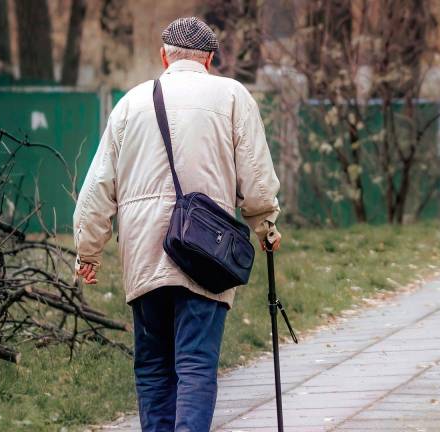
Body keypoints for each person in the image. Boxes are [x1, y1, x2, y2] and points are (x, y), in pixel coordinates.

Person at [73, 17, 281, 432]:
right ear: (209, 59)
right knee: (196, 365)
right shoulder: (233, 96)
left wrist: (88, 250)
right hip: (206, 251)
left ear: (164, 55)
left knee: (152, 367)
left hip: (145, 253)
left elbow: (99, 184)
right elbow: (255, 177)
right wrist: (266, 226)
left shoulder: (131, 103)